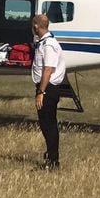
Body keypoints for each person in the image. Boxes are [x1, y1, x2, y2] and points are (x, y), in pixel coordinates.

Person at [31, 14, 67, 169]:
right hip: (46, 87)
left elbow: (48, 69)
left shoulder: (48, 44)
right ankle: (50, 155)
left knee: (49, 124)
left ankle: (53, 160)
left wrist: (41, 92)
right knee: (45, 123)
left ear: (36, 26)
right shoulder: (44, 42)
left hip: (48, 88)